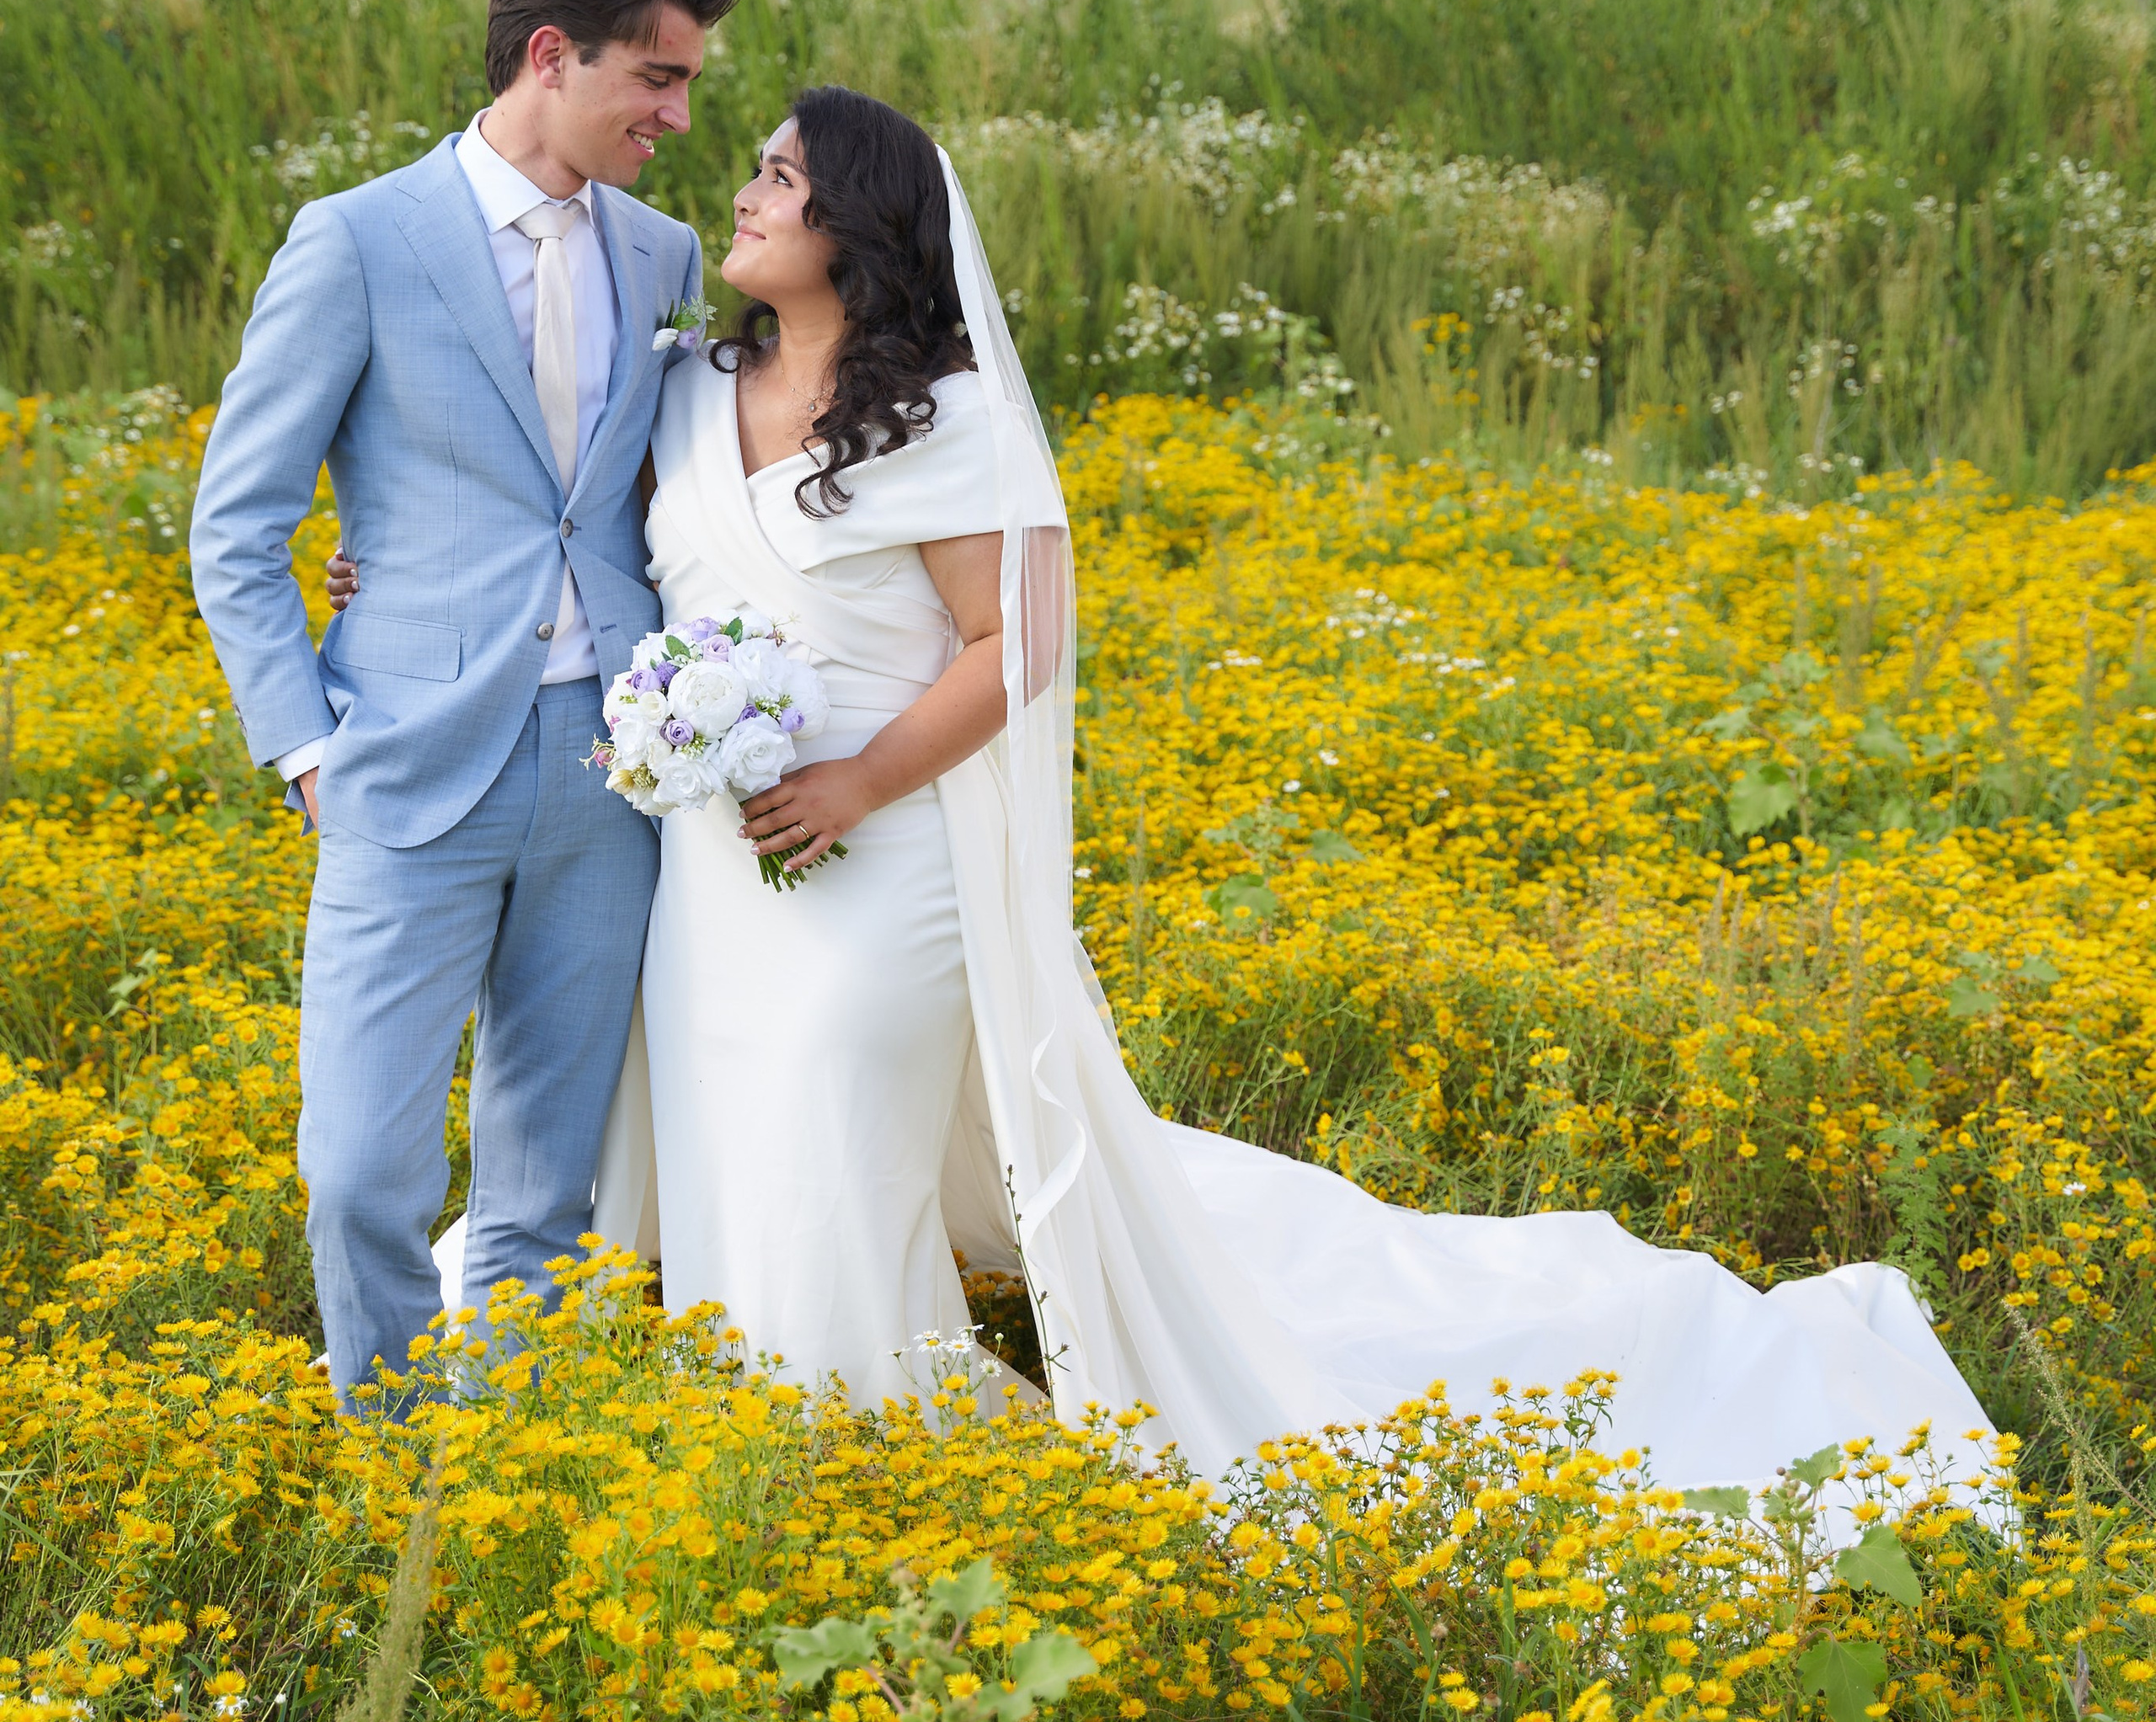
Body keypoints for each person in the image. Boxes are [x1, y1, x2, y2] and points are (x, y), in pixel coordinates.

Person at [346, 83, 1999, 1497]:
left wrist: (854, 780)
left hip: (884, 848)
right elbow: (547, 527)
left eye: (778, 174)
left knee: (821, 1102)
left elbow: (1015, 652)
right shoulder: (688, 393)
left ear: (854, 221)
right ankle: (687, 1390)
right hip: (714, 865)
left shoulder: (942, 426)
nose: (744, 193)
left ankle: (837, 1428)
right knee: (710, 1111)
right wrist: (398, 568)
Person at [190, 0, 733, 1409]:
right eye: (659, 77)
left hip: (607, 762)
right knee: (360, 1164)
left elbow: (653, 495)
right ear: (552, 56)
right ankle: (382, 1439)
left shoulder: (667, 252)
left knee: (542, 1174)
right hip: (402, 764)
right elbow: (235, 523)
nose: (680, 117)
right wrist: (304, 743)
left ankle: (497, 1462)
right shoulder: (357, 239)